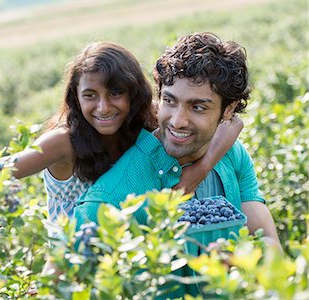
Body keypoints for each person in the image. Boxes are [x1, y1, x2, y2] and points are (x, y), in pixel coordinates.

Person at [0, 41, 242, 228]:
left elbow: (231, 125)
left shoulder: (151, 118)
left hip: (132, 234)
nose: (103, 107)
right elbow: (6, 170)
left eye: (116, 93)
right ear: (75, 96)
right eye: (90, 95)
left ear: (134, 94)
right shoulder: (64, 141)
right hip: (79, 251)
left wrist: (195, 174)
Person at [74, 33, 281, 249]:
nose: (178, 121)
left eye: (198, 107)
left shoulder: (232, 154)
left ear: (228, 110)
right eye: (170, 101)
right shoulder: (110, 199)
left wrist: (241, 257)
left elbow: (268, 240)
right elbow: (63, 271)